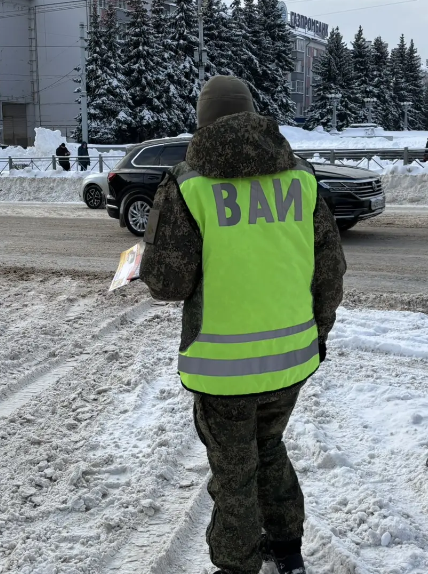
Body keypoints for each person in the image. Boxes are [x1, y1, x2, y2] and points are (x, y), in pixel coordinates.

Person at [139, 75, 346, 574]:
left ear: (203, 121)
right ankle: (289, 554)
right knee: (269, 449)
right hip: (293, 357)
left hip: (222, 365)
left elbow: (168, 281)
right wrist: (318, 330)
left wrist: (146, 260)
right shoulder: (301, 177)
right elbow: (329, 268)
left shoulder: (188, 184)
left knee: (234, 473)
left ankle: (236, 566)